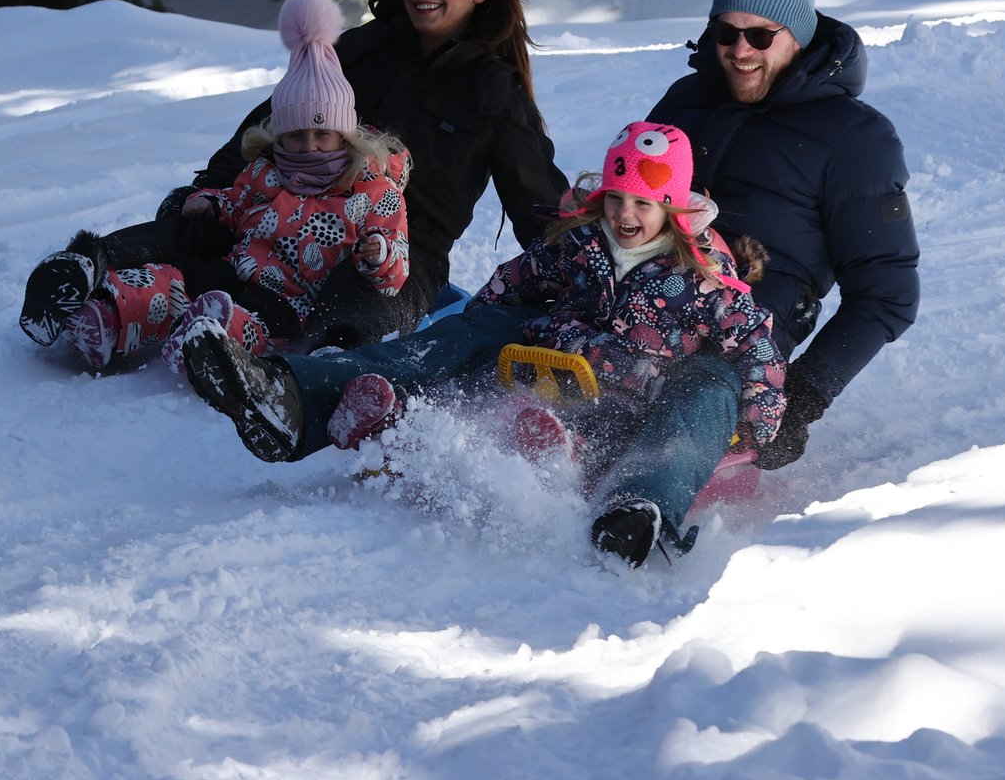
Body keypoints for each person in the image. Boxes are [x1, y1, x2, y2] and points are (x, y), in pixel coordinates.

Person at [179, 122, 788, 568]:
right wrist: (476, 330)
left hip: (638, 407)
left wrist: (758, 423)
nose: (626, 215)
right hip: (550, 371)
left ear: (674, 207)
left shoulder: (705, 278)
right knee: (485, 326)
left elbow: (755, 343)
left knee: (709, 388)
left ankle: (635, 509)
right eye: (617, 199)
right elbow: (518, 279)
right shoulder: (582, 243)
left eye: (644, 204)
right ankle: (301, 397)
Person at [19, 0, 568, 353]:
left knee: (358, 304)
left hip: (394, 250)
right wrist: (210, 189)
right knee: (201, 222)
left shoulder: (495, 96)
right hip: (288, 212)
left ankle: (298, 376)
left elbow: (541, 208)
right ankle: (85, 272)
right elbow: (273, 121)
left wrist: (584, 274)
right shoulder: (364, 48)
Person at [647, 0, 920, 469]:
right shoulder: (686, 99)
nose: (740, 50)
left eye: (760, 34)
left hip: (741, 327)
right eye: (726, 32)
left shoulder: (856, 138)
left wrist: (802, 396)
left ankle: (643, 484)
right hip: (642, 289)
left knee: (691, 384)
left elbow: (888, 292)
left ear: (798, 34)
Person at [55, 0, 412, 372]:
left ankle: (210, 344)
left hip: (292, 303)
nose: (309, 147)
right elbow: (237, 204)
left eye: (322, 135)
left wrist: (378, 253)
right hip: (236, 270)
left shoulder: (372, 188)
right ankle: (110, 315)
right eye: (296, 135)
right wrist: (211, 202)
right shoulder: (266, 171)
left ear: (345, 136)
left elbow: (396, 269)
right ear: (279, 135)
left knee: (247, 322)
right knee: (176, 280)